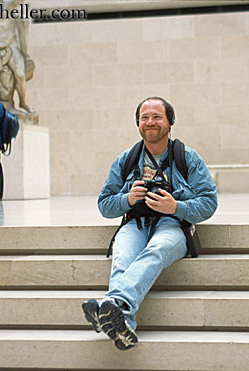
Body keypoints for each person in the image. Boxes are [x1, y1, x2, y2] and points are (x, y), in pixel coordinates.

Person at [81, 97, 218, 350]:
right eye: (145, 117)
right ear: (138, 124)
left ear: (170, 122)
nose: (150, 122)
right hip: (135, 224)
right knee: (122, 260)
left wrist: (176, 207)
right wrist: (127, 199)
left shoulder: (187, 158)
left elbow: (209, 203)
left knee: (156, 250)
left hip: (172, 225)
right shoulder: (126, 159)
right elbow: (104, 204)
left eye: (157, 117)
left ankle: (111, 305)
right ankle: (124, 323)